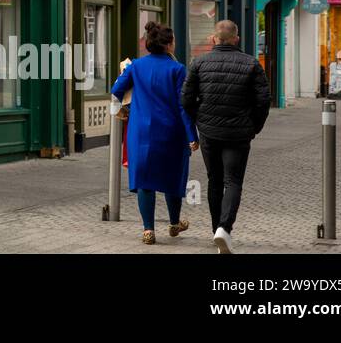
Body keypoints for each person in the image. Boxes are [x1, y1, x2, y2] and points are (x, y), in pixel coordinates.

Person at [181, 19, 271, 254]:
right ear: (236, 39)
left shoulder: (199, 63)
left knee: (215, 180)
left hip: (210, 131)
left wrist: (200, 119)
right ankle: (224, 228)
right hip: (239, 133)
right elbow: (263, 100)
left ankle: (216, 231)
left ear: (214, 39)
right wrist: (254, 127)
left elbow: (186, 99)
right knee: (233, 180)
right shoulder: (251, 64)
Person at [110, 22, 197, 245]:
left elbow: (116, 89)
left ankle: (148, 230)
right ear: (169, 45)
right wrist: (192, 136)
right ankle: (174, 223)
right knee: (173, 177)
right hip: (171, 132)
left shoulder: (136, 66)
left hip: (140, 132)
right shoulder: (177, 69)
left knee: (144, 181)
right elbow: (182, 105)